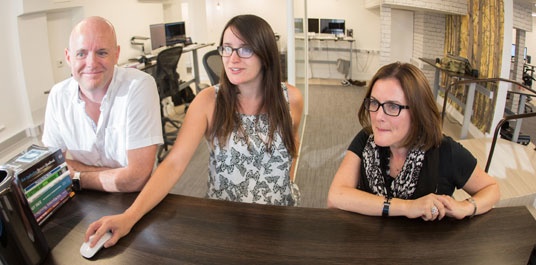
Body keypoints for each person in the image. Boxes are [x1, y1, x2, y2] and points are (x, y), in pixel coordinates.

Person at [84, 14, 304, 248]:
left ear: (266, 54)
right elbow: (174, 163)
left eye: (245, 49)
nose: (232, 59)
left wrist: (283, 182)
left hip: (279, 217)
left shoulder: (291, 99)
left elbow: (292, 141)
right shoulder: (209, 102)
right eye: (227, 48)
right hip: (226, 222)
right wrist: (129, 216)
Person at [327, 62, 500, 221]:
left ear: (418, 112)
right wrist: (406, 206)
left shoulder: (444, 150)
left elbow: (491, 188)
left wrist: (467, 206)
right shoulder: (366, 139)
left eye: (393, 106)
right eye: (374, 103)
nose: (378, 116)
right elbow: (336, 196)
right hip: (370, 247)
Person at [41, 16, 163, 192]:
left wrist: (76, 176)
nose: (91, 63)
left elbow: (137, 179)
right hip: (82, 200)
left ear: (116, 54)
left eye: (102, 52)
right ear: (69, 57)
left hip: (135, 199)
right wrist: (119, 174)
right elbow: (53, 166)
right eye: (81, 53)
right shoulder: (58, 95)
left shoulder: (139, 86)